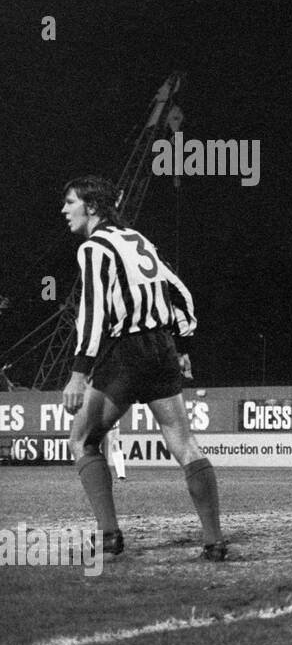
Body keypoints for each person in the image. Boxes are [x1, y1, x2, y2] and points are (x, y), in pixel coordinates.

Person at [60, 176, 225, 560]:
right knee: (184, 444)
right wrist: (182, 345)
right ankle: (214, 541)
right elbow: (180, 292)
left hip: (124, 351)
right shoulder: (138, 240)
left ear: (93, 208)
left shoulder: (93, 248)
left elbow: (94, 313)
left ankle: (108, 537)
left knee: (83, 440)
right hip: (162, 346)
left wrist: (78, 373)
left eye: (70, 203)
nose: (64, 210)